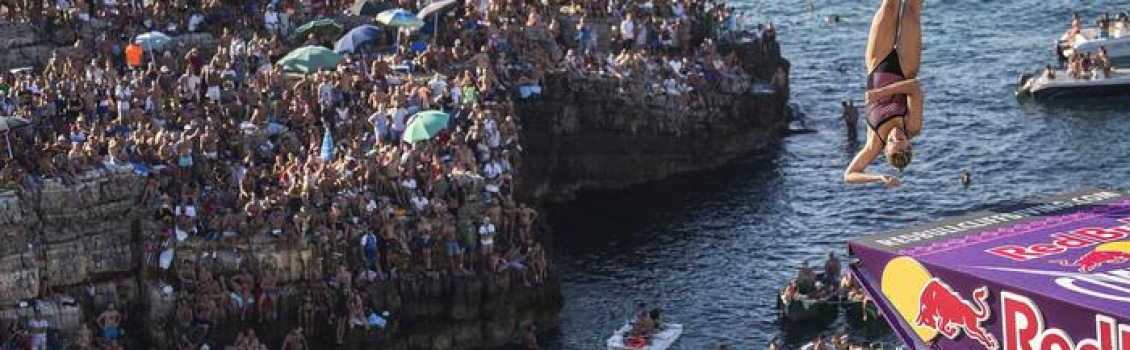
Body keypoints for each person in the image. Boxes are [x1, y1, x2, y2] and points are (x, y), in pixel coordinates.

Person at [845, 0, 925, 187]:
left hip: (877, 63)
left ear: (885, 147)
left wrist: (879, 177)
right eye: (901, 138)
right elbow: (914, 87)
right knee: (912, 7)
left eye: (891, 140)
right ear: (909, 143)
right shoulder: (913, 126)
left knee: (890, 5)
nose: (896, 134)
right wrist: (880, 93)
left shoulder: (874, 143)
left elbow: (849, 175)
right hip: (905, 69)